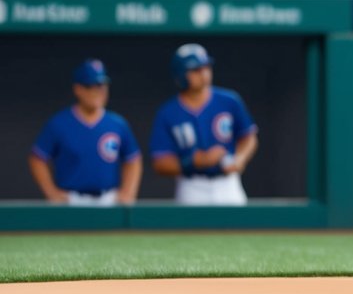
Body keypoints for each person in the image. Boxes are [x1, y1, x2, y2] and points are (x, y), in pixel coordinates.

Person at [150, 44, 258, 205]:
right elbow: (160, 162)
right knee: (190, 230)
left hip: (227, 183)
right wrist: (195, 161)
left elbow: (249, 137)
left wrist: (239, 159)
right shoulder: (168, 112)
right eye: (196, 70)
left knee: (238, 228)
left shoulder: (229, 101)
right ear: (181, 74)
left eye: (206, 67)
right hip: (191, 185)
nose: (204, 74)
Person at [29, 59, 141, 206]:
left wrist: (128, 192)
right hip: (72, 199)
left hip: (108, 199)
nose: (97, 91)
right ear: (78, 89)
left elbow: (133, 158)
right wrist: (51, 192)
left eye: (101, 86)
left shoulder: (117, 124)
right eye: (90, 86)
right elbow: (38, 158)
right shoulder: (59, 123)